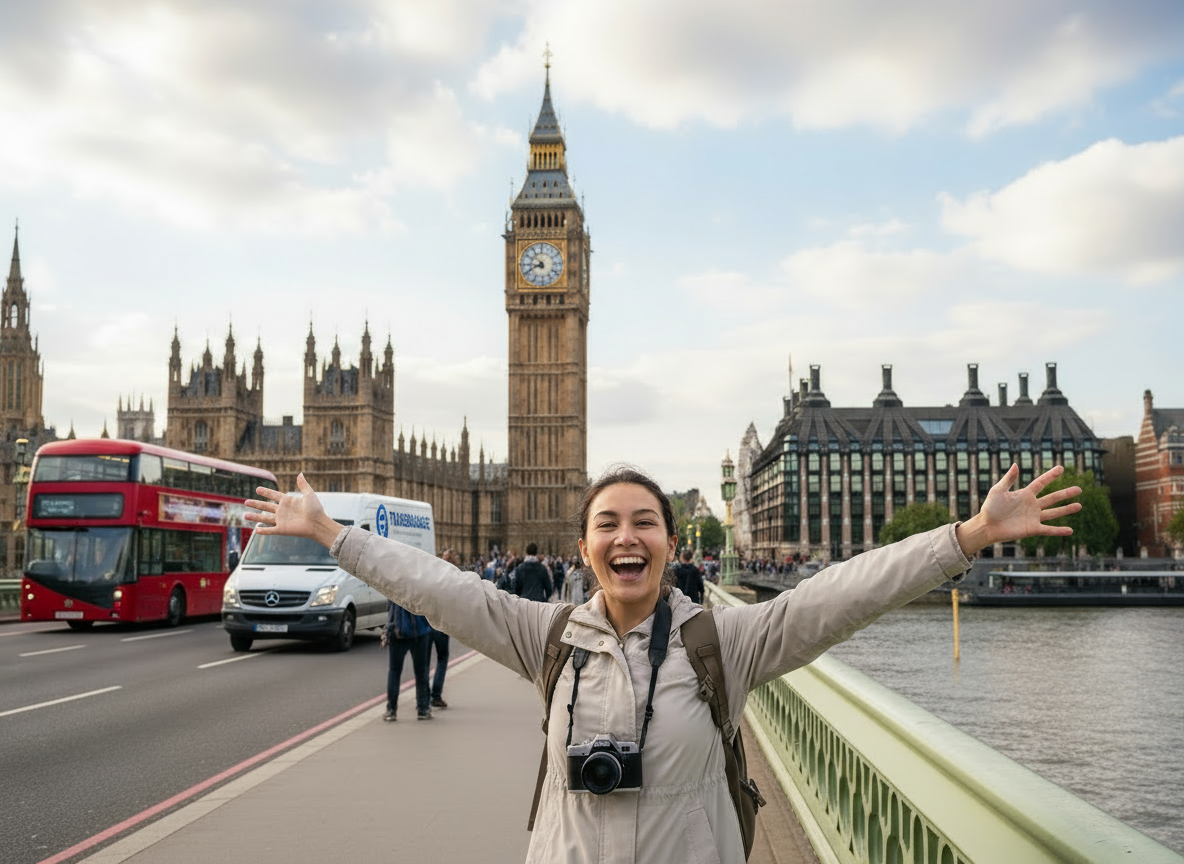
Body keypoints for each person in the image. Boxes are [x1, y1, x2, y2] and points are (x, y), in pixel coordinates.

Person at [246, 462, 1080, 863]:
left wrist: (963, 539)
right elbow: (436, 588)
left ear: (670, 545)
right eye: (607, 523)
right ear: (585, 548)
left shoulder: (726, 643)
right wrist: (329, 535)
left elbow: (841, 596)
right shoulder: (546, 637)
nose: (625, 536)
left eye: (644, 522)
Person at [382, 597, 434, 721]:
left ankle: (391, 710)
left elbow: (390, 608)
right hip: (420, 631)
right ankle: (423, 709)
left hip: (397, 630)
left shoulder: (394, 582)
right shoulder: (420, 582)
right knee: (421, 672)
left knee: (394, 671)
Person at [428, 549, 458, 709]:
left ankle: (423, 697)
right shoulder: (453, 578)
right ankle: (436, 695)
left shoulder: (432, 574)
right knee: (442, 657)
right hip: (442, 623)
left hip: (427, 621)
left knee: (424, 661)